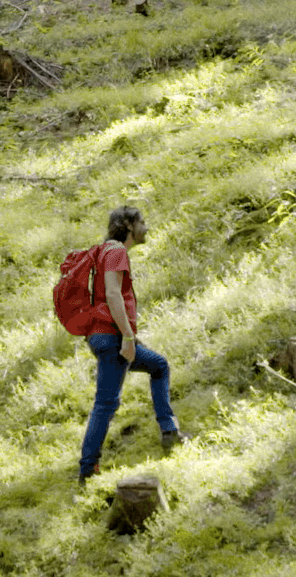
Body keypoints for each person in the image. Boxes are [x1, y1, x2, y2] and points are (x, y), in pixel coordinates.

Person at [74, 205, 180, 484]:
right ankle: (88, 470)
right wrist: (128, 337)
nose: (147, 227)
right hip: (112, 336)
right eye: (142, 222)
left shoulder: (102, 252)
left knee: (158, 366)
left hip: (102, 335)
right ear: (129, 226)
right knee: (105, 404)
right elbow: (112, 294)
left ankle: (169, 431)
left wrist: (130, 335)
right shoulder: (116, 252)